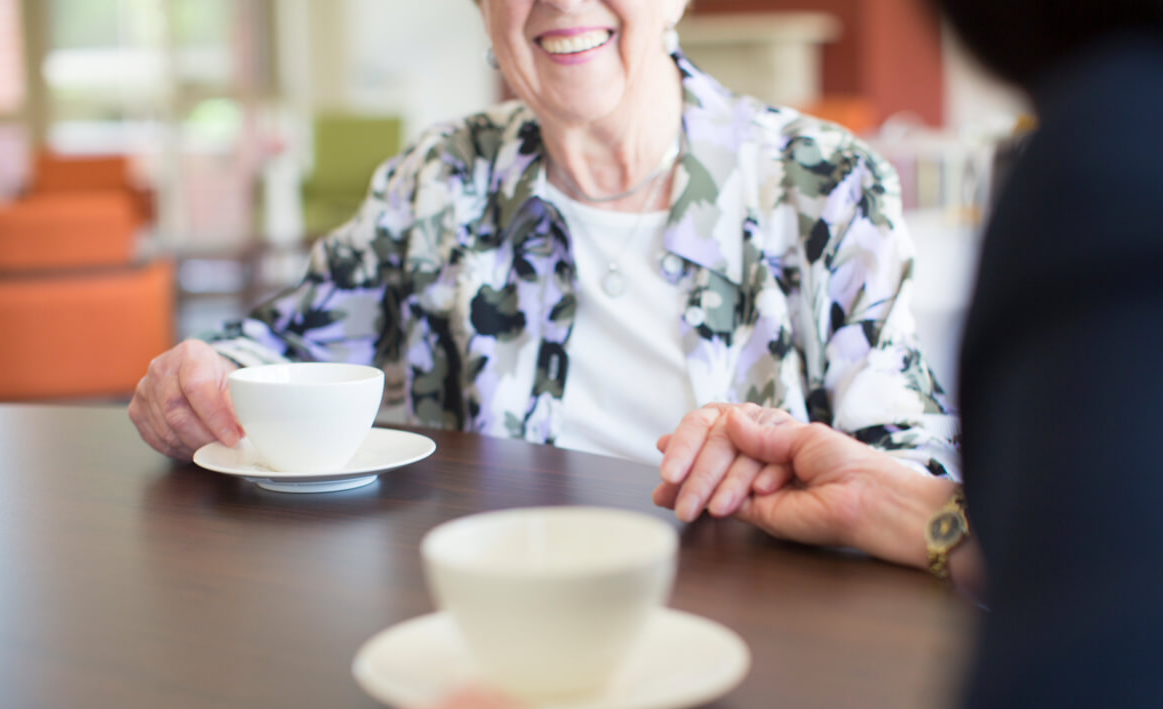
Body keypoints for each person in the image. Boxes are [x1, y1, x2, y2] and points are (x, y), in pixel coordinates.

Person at [344, 1, 1163, 709]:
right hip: (499, 649)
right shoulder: (435, 175)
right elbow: (281, 345)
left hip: (764, 692)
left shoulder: (1126, 167)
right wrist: (210, 366)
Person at [127, 0, 958, 487]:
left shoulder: (824, 182)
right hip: (490, 614)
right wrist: (198, 378)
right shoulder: (442, 176)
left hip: (762, 618)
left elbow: (914, 461)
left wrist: (795, 462)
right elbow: (274, 351)